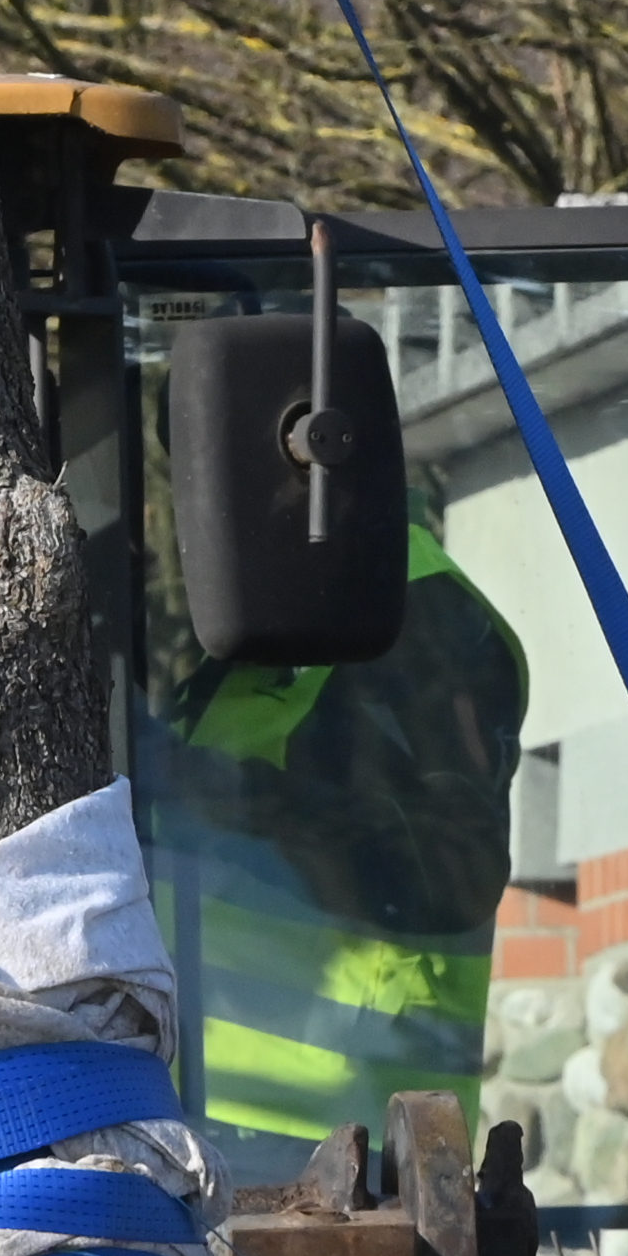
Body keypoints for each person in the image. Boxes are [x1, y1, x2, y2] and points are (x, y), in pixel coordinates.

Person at [144, 469, 532, 1170]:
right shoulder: (281, 620)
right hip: (221, 1131)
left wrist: (232, 800)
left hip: (348, 1157)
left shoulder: (418, 621)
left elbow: (453, 872)